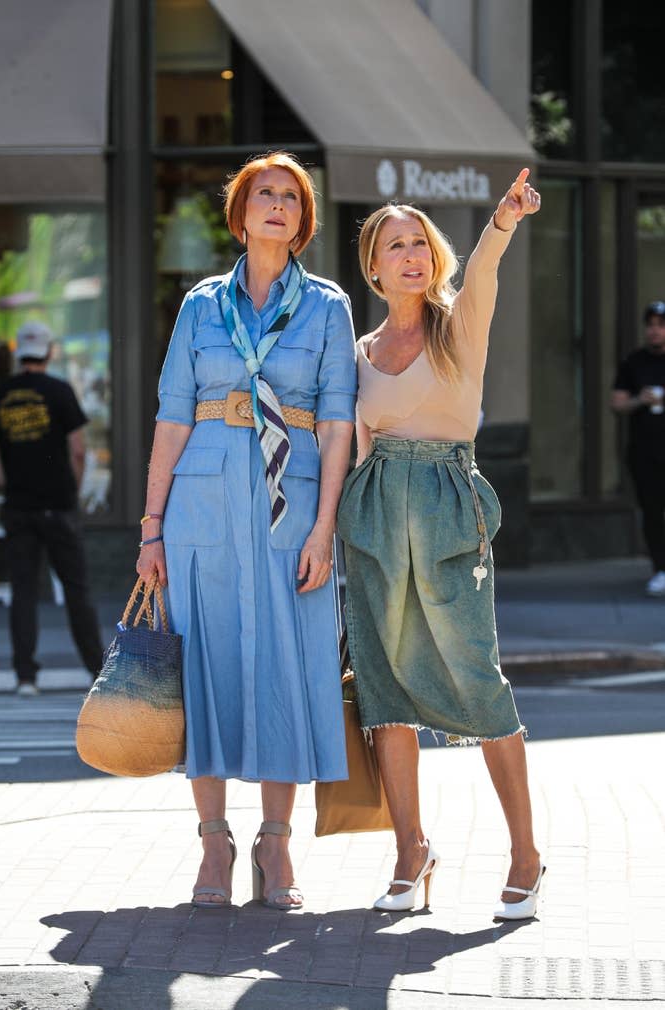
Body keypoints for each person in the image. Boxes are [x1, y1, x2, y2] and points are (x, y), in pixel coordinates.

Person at [136, 152, 356, 910]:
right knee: (206, 669)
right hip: (201, 509)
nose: (276, 206)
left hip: (290, 511)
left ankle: (275, 845)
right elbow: (170, 415)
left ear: (303, 219)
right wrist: (150, 528)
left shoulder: (327, 306)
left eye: (290, 198)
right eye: (263, 194)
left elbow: (335, 423)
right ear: (240, 212)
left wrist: (325, 527)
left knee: (285, 670)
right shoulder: (201, 304)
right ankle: (212, 844)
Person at [337, 169, 545, 921]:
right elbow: (353, 447)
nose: (412, 254)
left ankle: (525, 854)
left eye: (421, 242)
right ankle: (409, 849)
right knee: (385, 684)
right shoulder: (356, 351)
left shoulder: (458, 324)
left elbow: (486, 266)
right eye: (396, 245)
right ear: (374, 265)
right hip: (373, 513)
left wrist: (503, 219)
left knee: (475, 676)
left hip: (447, 506)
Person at [0, 321, 104, 696]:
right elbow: (79, 449)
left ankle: (25, 677)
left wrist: (7, 481)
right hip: (59, 505)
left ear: (21, 354)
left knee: (23, 591)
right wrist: (74, 487)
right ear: (49, 352)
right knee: (76, 589)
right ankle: (96, 672)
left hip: (19, 505)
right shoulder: (60, 391)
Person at [611, 301, 665, 596]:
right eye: (651, 325)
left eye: (661, 325)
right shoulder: (634, 363)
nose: (655, 331)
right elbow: (616, 403)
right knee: (653, 511)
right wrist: (639, 401)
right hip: (645, 452)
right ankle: (660, 568)